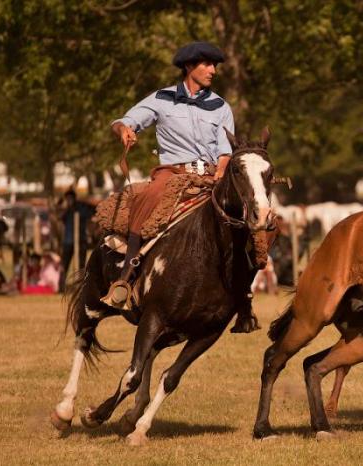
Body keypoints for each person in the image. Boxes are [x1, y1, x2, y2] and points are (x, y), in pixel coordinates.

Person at [104, 42, 257, 332]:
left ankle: (244, 299)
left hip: (213, 175)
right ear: (189, 67)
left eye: (215, 65)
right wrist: (124, 131)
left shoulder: (221, 106)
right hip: (172, 175)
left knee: (254, 220)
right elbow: (125, 121)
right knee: (145, 200)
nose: (213, 70)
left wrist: (220, 175)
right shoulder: (161, 99)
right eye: (207, 64)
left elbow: (226, 151)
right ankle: (125, 278)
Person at [58, 189, 94, 292]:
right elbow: (59, 217)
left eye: (70, 198)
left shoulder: (81, 208)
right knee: (64, 264)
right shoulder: (66, 211)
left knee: (81, 265)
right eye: (67, 198)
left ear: (74, 198)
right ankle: (61, 287)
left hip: (80, 241)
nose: (68, 200)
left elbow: (89, 213)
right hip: (68, 242)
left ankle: (80, 287)